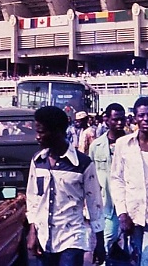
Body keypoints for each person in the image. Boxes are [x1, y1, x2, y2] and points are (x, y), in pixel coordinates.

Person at [26, 106, 105, 266]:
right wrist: (32, 231)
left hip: (72, 238)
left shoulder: (83, 164)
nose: (37, 137)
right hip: (44, 238)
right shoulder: (37, 161)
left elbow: (94, 203)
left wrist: (100, 242)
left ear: (57, 132)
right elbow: (33, 198)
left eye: (41, 132)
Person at [110, 96, 148, 266]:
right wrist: (122, 213)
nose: (146, 119)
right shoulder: (123, 144)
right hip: (131, 219)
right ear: (135, 118)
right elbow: (117, 179)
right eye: (141, 116)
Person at [89, 103, 127, 252]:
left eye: (122, 119)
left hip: (130, 201)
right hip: (107, 203)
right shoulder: (96, 146)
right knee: (107, 239)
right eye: (115, 119)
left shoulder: (132, 143)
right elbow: (91, 176)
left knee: (131, 245)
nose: (119, 123)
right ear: (107, 120)